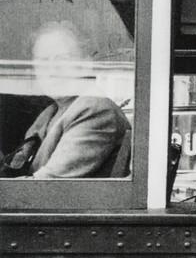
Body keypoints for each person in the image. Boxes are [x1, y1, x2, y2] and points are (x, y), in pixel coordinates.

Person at [5, 21, 131, 179]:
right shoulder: (50, 113)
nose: (51, 70)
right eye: (43, 61)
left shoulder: (95, 110)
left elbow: (47, 185)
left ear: (86, 64)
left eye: (62, 59)